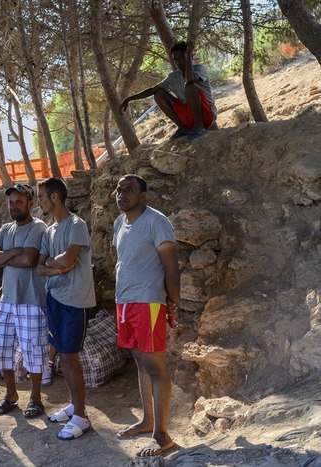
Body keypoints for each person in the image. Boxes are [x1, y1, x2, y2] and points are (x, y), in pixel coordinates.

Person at [112, 175, 180, 458]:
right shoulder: (119, 223)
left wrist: (173, 304)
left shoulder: (156, 221)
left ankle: (163, 436)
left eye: (129, 190)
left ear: (143, 196)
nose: (121, 194)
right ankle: (148, 420)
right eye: (118, 189)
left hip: (149, 302)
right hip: (125, 302)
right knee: (140, 361)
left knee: (154, 364)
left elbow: (172, 267)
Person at [36, 177, 96, 440]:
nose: (38, 201)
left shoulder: (76, 225)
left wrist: (55, 263)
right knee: (63, 354)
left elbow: (70, 259)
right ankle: (75, 406)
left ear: (54, 198)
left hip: (75, 300)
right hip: (55, 298)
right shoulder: (50, 231)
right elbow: (40, 267)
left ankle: (81, 417)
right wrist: (55, 265)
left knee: (70, 357)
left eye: (41, 197)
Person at [0, 184, 49, 419]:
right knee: (1, 350)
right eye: (11, 202)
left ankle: (35, 398)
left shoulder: (38, 227)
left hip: (30, 300)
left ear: (30, 204)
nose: (13, 206)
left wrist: (7, 255)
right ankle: (11, 395)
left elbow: (29, 260)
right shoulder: (5, 228)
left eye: (18, 202)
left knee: (34, 351)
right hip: (8, 300)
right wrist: (15, 252)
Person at [120, 41, 216, 141]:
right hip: (188, 116)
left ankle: (199, 127)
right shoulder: (173, 76)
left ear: (190, 57)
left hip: (206, 115)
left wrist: (188, 60)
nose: (178, 62)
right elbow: (152, 90)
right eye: (175, 59)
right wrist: (129, 99)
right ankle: (183, 128)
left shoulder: (200, 69)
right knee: (158, 94)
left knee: (189, 85)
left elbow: (190, 79)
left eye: (182, 57)